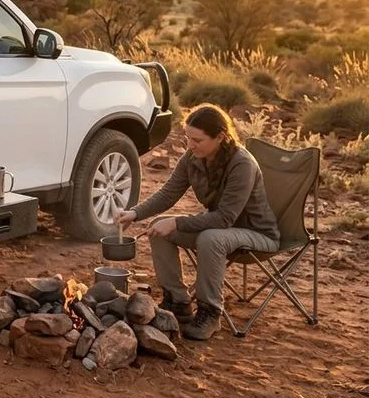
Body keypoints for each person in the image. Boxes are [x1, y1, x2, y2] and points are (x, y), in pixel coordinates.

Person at [116, 103, 280, 341]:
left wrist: (178, 223)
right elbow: (169, 193)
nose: (190, 145)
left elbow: (224, 218)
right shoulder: (193, 157)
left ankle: (210, 312)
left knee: (210, 238)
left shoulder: (241, 163)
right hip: (222, 230)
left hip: (255, 232)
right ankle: (178, 301)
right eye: (187, 138)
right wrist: (135, 213)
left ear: (220, 137)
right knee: (160, 227)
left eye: (197, 140)